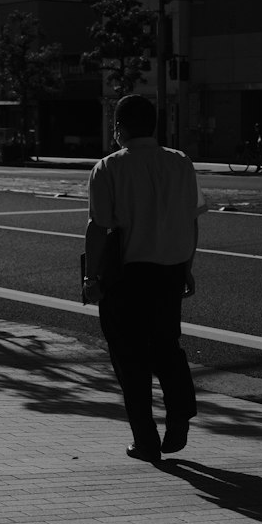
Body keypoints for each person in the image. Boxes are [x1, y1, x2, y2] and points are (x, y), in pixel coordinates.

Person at [84, 95, 205, 464]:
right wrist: (186, 267)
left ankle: (146, 440)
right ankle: (180, 415)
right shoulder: (180, 162)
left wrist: (92, 276)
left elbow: (98, 228)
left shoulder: (108, 168)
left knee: (129, 357)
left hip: (127, 275)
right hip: (169, 271)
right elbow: (191, 219)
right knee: (167, 347)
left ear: (119, 128)